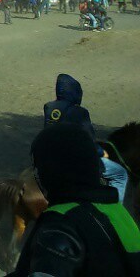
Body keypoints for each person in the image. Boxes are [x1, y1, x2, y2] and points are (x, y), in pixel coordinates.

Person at [8, 123, 140, 277]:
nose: (36, 175)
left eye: (38, 167)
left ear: (50, 170)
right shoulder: (121, 215)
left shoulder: (60, 224)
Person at [43, 73, 129, 203]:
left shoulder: (49, 108)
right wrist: (101, 152)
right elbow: (88, 140)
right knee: (120, 174)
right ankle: (116, 207)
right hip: (74, 160)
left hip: (51, 157)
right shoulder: (79, 112)